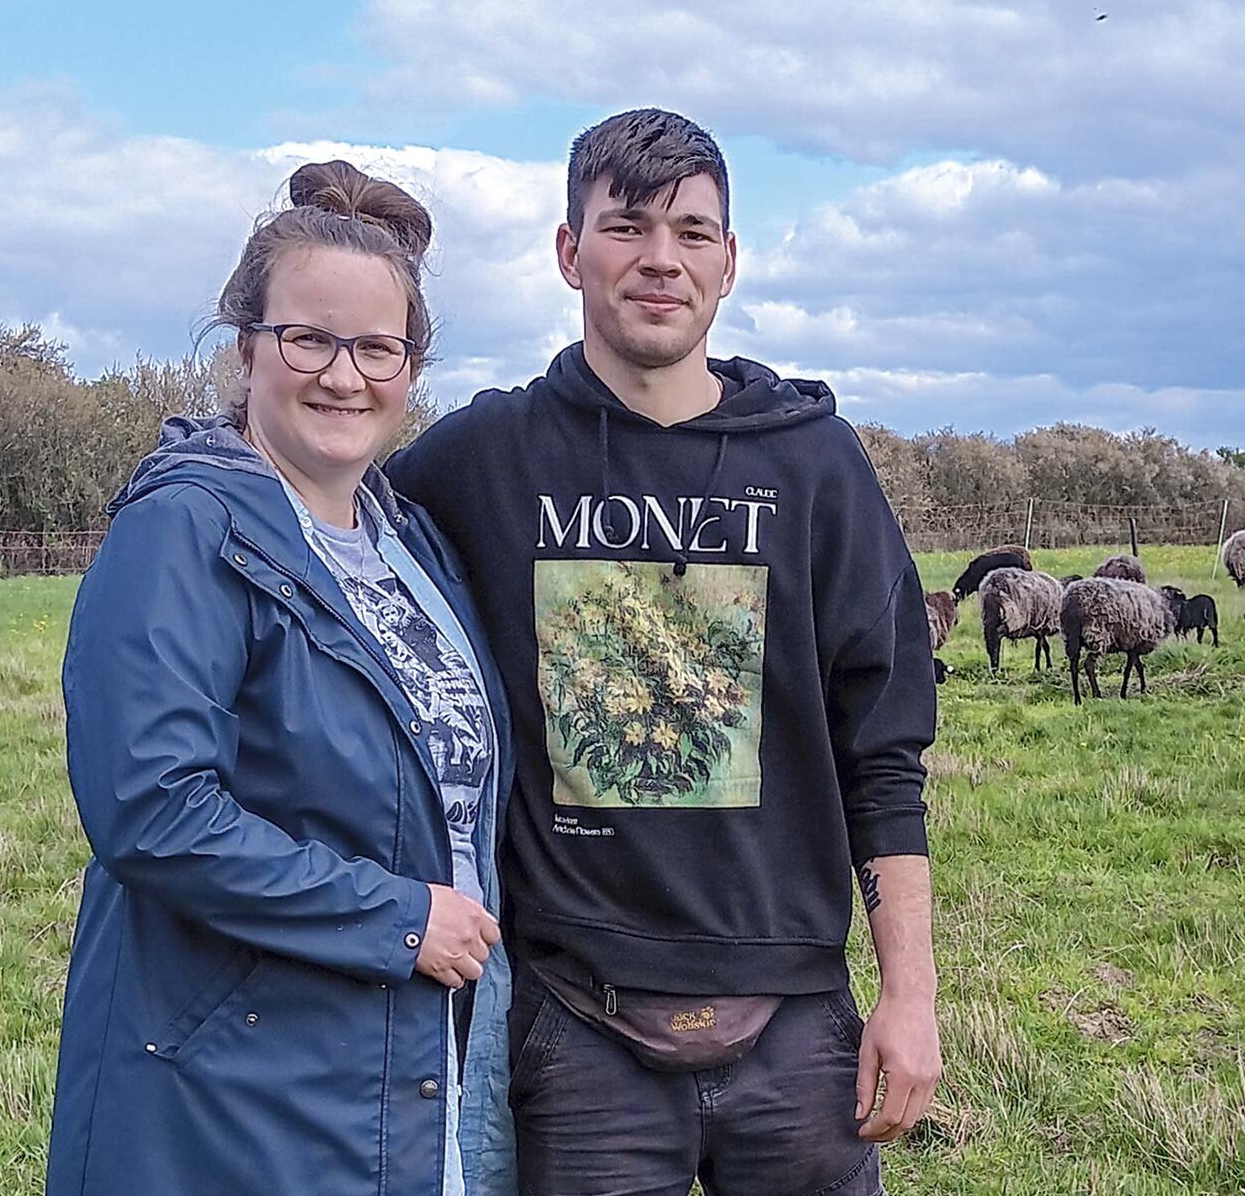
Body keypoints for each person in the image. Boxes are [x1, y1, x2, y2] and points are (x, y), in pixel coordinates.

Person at [387, 108, 941, 1195]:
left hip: (795, 1020)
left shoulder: (818, 469)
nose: (660, 259)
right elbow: (328, 528)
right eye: (627, 226)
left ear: (729, 262)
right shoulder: (481, 459)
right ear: (568, 251)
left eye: (693, 232)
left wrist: (909, 996)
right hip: (576, 1022)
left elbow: (883, 754)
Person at [47, 161, 517, 1196]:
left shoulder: (410, 544)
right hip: (235, 1087)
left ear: (411, 364)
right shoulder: (184, 528)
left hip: (403, 1065)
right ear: (247, 344)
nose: (343, 376)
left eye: (377, 348)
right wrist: (397, 919)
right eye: (308, 338)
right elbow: (152, 810)